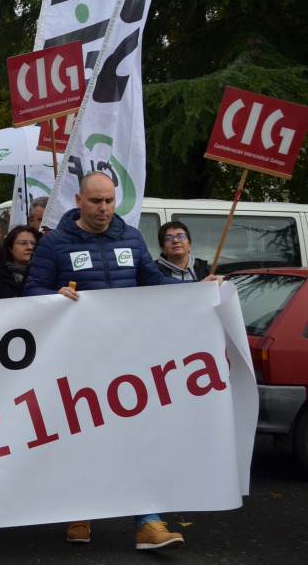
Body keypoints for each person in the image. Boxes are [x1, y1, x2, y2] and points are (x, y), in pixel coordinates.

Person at [23, 172, 221, 550]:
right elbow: (32, 291)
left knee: (137, 437)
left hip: (127, 358)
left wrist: (196, 289)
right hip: (77, 360)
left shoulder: (131, 237)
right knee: (83, 437)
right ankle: (80, 509)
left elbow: (151, 282)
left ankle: (148, 520)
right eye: (96, 201)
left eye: (110, 201)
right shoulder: (54, 243)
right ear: (79, 199)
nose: (104, 209)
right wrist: (54, 295)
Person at [0, 225, 39, 300]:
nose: (30, 247)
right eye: (23, 243)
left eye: (33, 243)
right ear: (10, 249)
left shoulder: (44, 274)